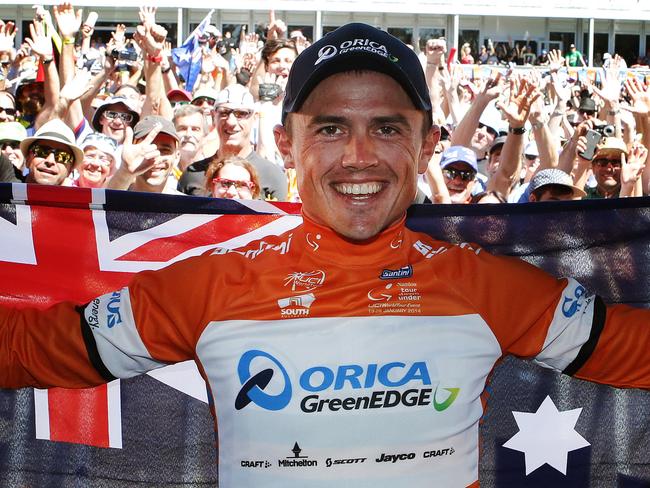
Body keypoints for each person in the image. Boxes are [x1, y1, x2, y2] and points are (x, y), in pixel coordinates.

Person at [3, 22, 650, 488]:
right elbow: (36, 349)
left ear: (425, 144)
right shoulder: (207, 286)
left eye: (388, 127)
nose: (360, 156)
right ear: (287, 146)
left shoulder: (486, 287)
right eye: (331, 127)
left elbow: (633, 351)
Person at [19, 118, 83, 186]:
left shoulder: (81, 197)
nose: (50, 160)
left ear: (70, 170)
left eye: (63, 156)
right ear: (28, 159)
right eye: (41, 151)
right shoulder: (7, 192)